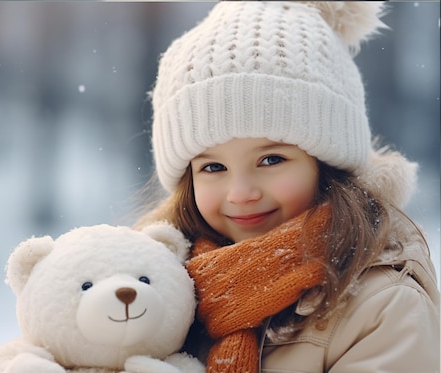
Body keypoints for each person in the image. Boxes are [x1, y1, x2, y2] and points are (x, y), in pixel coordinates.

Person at [135, 2, 440, 372]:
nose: (241, 192)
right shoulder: (151, 290)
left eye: (271, 160)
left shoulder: (382, 306)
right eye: (213, 166)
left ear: (327, 165)